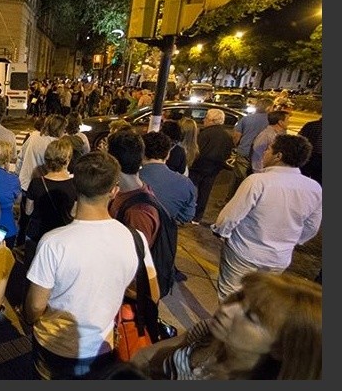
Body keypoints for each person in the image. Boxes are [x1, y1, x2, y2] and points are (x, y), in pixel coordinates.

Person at [24, 151, 158, 379]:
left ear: (76, 186)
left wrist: (29, 318)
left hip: (55, 345)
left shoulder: (54, 242)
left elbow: (35, 306)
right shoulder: (135, 239)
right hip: (101, 345)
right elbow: (152, 294)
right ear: (114, 190)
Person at [131, 271, 322, 380]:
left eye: (251, 316)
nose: (227, 309)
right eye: (239, 297)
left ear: (282, 348)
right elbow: (147, 356)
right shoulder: (208, 331)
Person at [211, 134, 322, 301]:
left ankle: (229, 327)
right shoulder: (314, 188)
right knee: (260, 301)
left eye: (269, 149)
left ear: (278, 156)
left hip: (244, 251)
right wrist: (289, 241)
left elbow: (231, 215)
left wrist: (221, 232)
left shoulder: (258, 181)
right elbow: (311, 227)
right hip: (279, 258)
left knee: (230, 298)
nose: (264, 152)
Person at [24, 138, 78, 264]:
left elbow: (28, 211)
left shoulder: (37, 183)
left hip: (36, 235)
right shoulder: (75, 185)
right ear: (67, 160)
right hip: (61, 237)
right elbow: (74, 214)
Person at [139, 131, 197, 224]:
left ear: (142, 153)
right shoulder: (185, 183)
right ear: (168, 154)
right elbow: (187, 216)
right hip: (165, 233)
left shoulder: (129, 179)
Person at [188, 108, 234, 225]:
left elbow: (197, 151)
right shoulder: (226, 136)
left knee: (191, 190)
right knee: (205, 193)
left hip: (198, 167)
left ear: (212, 120)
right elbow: (227, 153)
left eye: (206, 118)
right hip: (214, 169)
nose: (204, 120)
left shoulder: (205, 134)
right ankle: (197, 217)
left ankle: (188, 212)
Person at [224, 98, 272, 202]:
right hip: (262, 155)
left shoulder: (247, 119)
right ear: (268, 108)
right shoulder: (271, 121)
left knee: (238, 178)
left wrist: (238, 146)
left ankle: (231, 200)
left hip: (244, 152)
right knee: (257, 180)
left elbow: (236, 136)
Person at [298, 116, 321, 185]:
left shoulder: (310, 125)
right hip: (319, 159)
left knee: (302, 178)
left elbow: (299, 139)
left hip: (307, 156)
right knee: (319, 182)